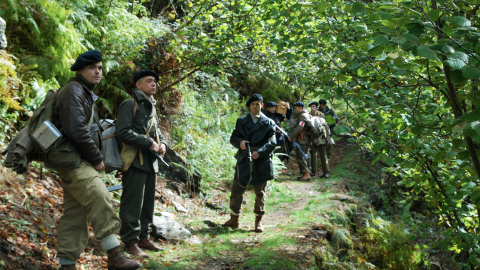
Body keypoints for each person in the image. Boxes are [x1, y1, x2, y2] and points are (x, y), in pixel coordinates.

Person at [52, 50, 141, 270]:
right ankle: (115, 256)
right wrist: (97, 159)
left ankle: (67, 265)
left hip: (74, 160)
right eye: (92, 68)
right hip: (75, 161)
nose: (97, 72)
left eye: (100, 68)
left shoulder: (82, 91)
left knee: (75, 213)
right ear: (80, 70)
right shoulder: (73, 91)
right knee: (100, 195)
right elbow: (77, 130)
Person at [116, 70, 167, 258]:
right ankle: (130, 242)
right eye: (149, 81)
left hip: (151, 162)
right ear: (138, 85)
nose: (154, 84)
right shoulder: (129, 104)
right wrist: (148, 143)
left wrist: (163, 144)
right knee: (132, 204)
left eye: (155, 81)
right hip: (134, 161)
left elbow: (157, 131)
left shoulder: (151, 106)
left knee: (147, 204)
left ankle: (144, 238)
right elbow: (123, 131)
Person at [222, 94, 276, 232]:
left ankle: (259, 221)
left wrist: (260, 152)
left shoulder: (269, 123)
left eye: (258, 104)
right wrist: (240, 143)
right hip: (244, 159)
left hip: (262, 160)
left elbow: (272, 142)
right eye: (253, 104)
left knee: (260, 193)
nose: (255, 106)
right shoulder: (241, 121)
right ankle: (234, 219)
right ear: (249, 106)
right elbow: (233, 138)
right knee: (236, 189)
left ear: (262, 105)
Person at [288, 101, 312, 181]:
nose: (294, 110)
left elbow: (300, 128)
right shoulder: (307, 115)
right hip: (306, 138)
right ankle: (307, 173)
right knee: (306, 155)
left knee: (301, 155)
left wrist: (291, 136)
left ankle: (306, 174)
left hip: (302, 139)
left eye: (295, 108)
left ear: (300, 108)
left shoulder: (302, 116)